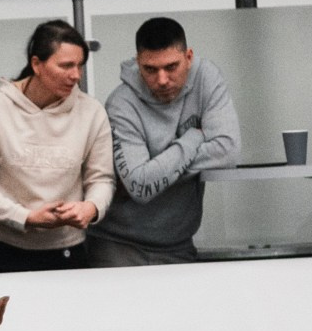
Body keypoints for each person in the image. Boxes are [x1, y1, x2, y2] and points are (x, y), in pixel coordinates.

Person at [0, 20, 114, 272]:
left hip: (64, 250)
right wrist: (25, 217)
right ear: (36, 65)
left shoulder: (92, 112)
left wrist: (91, 208)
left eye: (79, 66)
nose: (75, 75)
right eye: (66, 65)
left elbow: (102, 179)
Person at [86, 17, 241, 267]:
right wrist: (194, 137)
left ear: (189, 57)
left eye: (171, 67)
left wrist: (154, 169)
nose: (161, 79)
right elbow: (139, 186)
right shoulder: (121, 103)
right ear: (138, 63)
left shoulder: (206, 78)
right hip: (117, 245)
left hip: (178, 244)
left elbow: (227, 152)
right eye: (150, 69)